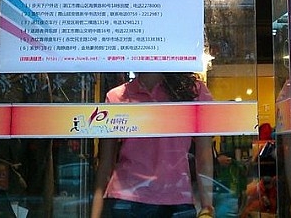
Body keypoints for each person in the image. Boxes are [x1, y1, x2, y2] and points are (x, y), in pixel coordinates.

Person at [91, 72, 215, 218]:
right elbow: (106, 163)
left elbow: (204, 156)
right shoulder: (117, 96)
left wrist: (207, 206)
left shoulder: (193, 92)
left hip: (173, 199)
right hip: (128, 200)